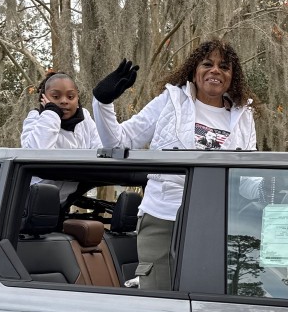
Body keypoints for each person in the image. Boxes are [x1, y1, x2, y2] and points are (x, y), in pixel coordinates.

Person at [92, 39, 257, 290]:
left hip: (217, 222)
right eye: (207, 64)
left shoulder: (243, 116)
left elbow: (247, 180)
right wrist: (103, 103)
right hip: (163, 216)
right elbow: (119, 141)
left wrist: (281, 192)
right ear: (194, 70)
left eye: (224, 67)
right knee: (160, 300)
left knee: (208, 300)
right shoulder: (170, 102)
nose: (215, 70)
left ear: (233, 77)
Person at [21, 71, 102, 205]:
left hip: (63, 203)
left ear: (77, 98)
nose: (64, 101)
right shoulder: (35, 118)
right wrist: (51, 113)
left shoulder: (85, 120)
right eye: (56, 96)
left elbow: (101, 152)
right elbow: (37, 153)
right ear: (44, 98)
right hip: (31, 201)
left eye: (70, 96)